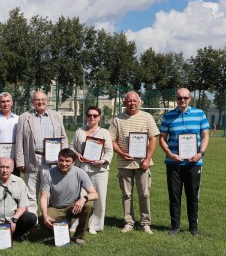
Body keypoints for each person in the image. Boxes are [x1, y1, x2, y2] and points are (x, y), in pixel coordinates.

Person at [159, 88, 210, 236]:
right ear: (176, 99)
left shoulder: (199, 114)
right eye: (180, 98)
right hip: (173, 163)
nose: (183, 100)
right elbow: (162, 138)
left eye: (185, 98)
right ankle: (175, 226)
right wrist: (170, 154)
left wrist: (201, 153)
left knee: (193, 196)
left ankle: (193, 228)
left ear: (190, 99)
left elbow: (205, 135)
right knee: (174, 196)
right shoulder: (168, 116)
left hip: (194, 163)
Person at [108, 91, 159, 234]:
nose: (132, 103)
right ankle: (129, 222)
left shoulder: (147, 117)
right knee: (126, 194)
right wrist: (122, 153)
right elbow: (111, 140)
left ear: (139, 102)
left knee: (144, 194)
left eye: (134, 101)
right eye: (129, 101)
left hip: (143, 163)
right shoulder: (117, 119)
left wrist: (148, 159)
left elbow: (153, 139)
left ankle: (145, 223)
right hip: (124, 163)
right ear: (124, 103)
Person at [15, 91, 68, 214]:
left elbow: (63, 137)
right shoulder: (24, 117)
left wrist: (64, 157)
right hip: (32, 159)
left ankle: (47, 218)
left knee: (50, 191)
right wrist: (20, 161)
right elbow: (19, 141)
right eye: (37, 100)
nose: (40, 102)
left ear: (47, 100)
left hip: (52, 161)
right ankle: (32, 222)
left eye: (43, 99)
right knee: (31, 192)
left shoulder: (56, 116)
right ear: (33, 102)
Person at [40, 149, 98, 246]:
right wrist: (45, 215)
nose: (64, 163)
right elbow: (43, 197)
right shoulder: (48, 173)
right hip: (55, 207)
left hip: (74, 207)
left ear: (73, 162)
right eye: (61, 160)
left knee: (88, 206)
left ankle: (79, 237)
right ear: (57, 160)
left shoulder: (80, 173)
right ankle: (60, 235)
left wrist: (83, 199)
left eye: (67, 161)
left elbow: (94, 194)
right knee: (43, 219)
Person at [72, 106, 113, 235]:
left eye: (95, 115)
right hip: (82, 169)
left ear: (99, 117)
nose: (92, 117)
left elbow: (109, 151)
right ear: (86, 116)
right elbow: (72, 146)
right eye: (89, 115)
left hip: (99, 170)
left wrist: (102, 161)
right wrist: (76, 154)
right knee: (79, 196)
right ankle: (76, 223)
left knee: (99, 198)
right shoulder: (79, 131)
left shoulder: (104, 132)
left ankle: (95, 225)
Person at [0, 157, 37, 242]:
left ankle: (15, 235)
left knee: (31, 217)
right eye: (2, 167)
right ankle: (5, 236)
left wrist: (14, 220)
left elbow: (23, 206)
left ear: (12, 169)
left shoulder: (20, 182)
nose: (5, 170)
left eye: (7, 167)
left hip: (13, 221)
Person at [0, 92, 19, 177]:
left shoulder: (18, 119)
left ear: (12, 103)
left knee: (14, 188)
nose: (6, 104)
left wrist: (16, 159)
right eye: (3, 102)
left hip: (14, 160)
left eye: (8, 101)